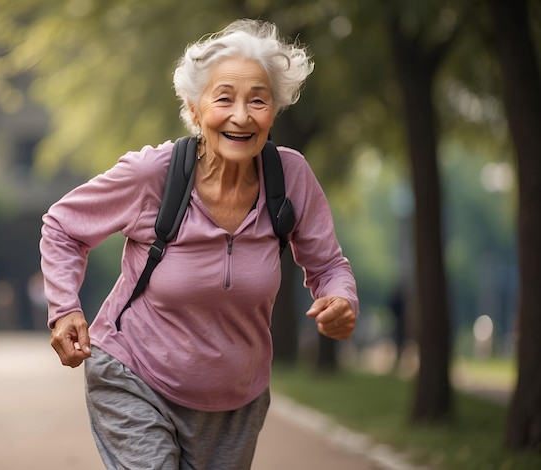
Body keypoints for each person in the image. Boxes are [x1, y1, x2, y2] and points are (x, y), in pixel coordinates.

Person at [40, 18, 358, 470]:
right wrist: (65, 307)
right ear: (194, 107)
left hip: (236, 403)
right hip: (134, 374)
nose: (242, 116)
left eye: (258, 100)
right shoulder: (154, 175)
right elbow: (63, 225)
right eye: (224, 98)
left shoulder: (290, 178)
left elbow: (328, 266)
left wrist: (340, 299)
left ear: (275, 109)